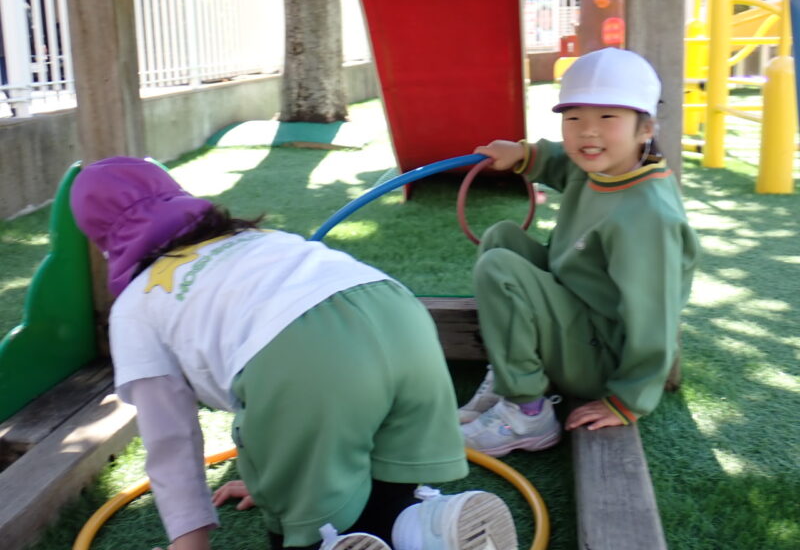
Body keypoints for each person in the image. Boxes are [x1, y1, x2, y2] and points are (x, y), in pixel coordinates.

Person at [69, 157, 518, 550]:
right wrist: (279, 469)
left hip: (304, 356)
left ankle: (329, 539)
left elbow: (170, 437)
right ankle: (423, 528)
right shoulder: (257, 238)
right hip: (399, 315)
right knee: (388, 470)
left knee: (308, 526)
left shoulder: (135, 305)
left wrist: (190, 541)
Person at [458, 47, 699, 457]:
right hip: (577, 309)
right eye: (574, 119)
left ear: (645, 129)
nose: (588, 132)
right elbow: (560, 161)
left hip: (602, 355)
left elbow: (654, 316)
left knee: (500, 268)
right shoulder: (602, 165)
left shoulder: (647, 215)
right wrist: (522, 154)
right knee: (502, 238)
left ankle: (527, 412)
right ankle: (509, 372)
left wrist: (628, 398)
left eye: (607, 118)